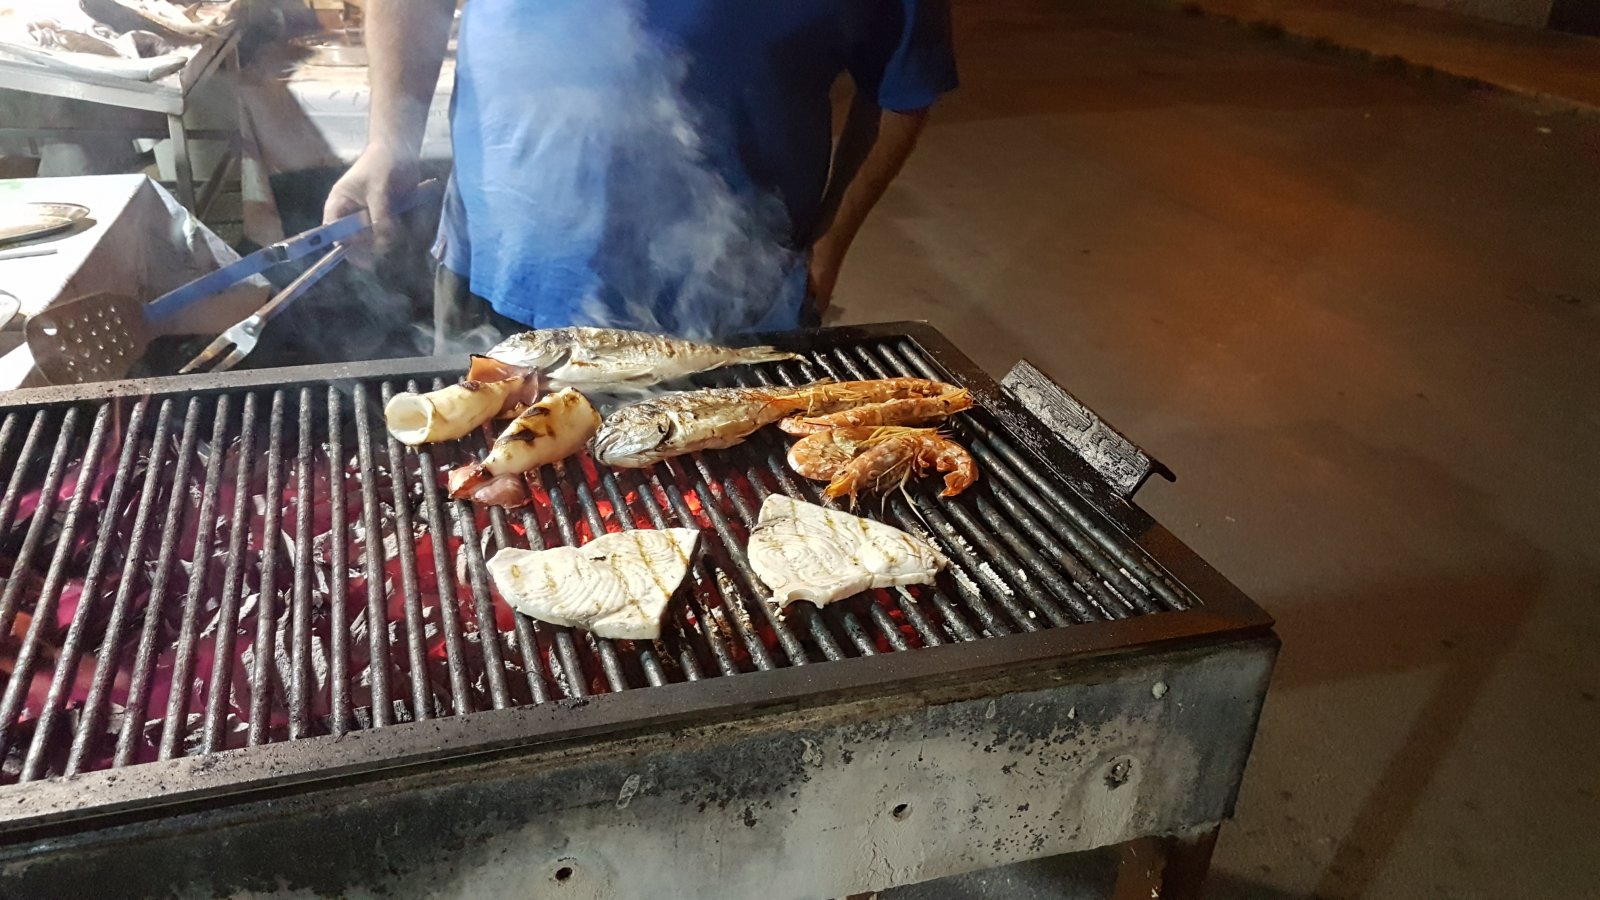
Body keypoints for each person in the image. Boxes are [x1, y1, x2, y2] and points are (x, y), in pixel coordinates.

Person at [324, 0, 956, 343]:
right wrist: (389, 142)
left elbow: (901, 87)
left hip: (727, 297)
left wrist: (829, 244)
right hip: (493, 268)